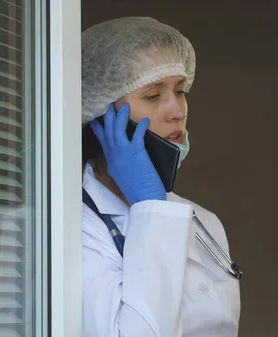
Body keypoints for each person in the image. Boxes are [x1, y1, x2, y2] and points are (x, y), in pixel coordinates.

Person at [81, 17, 241, 337]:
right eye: (153, 96)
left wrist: (154, 205)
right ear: (100, 110)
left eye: (180, 91)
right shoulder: (66, 228)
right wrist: (149, 205)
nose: (177, 110)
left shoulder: (204, 222)